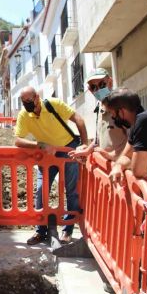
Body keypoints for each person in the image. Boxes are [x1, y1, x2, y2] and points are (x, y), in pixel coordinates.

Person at [14, 86, 89, 245]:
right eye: (23, 101)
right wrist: (40, 145)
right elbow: (18, 140)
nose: (27, 103)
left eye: (29, 99)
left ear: (37, 97)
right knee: (41, 191)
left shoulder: (53, 104)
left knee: (71, 191)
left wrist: (84, 145)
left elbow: (79, 120)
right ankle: (40, 231)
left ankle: (67, 230)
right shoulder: (24, 115)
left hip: (68, 150)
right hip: (47, 155)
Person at [69, 68, 127, 162]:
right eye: (94, 87)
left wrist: (117, 157)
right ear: (90, 90)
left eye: (102, 84)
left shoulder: (122, 104)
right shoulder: (99, 108)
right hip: (108, 167)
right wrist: (87, 151)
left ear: (110, 82)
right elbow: (98, 140)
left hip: (124, 168)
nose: (99, 90)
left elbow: (135, 138)